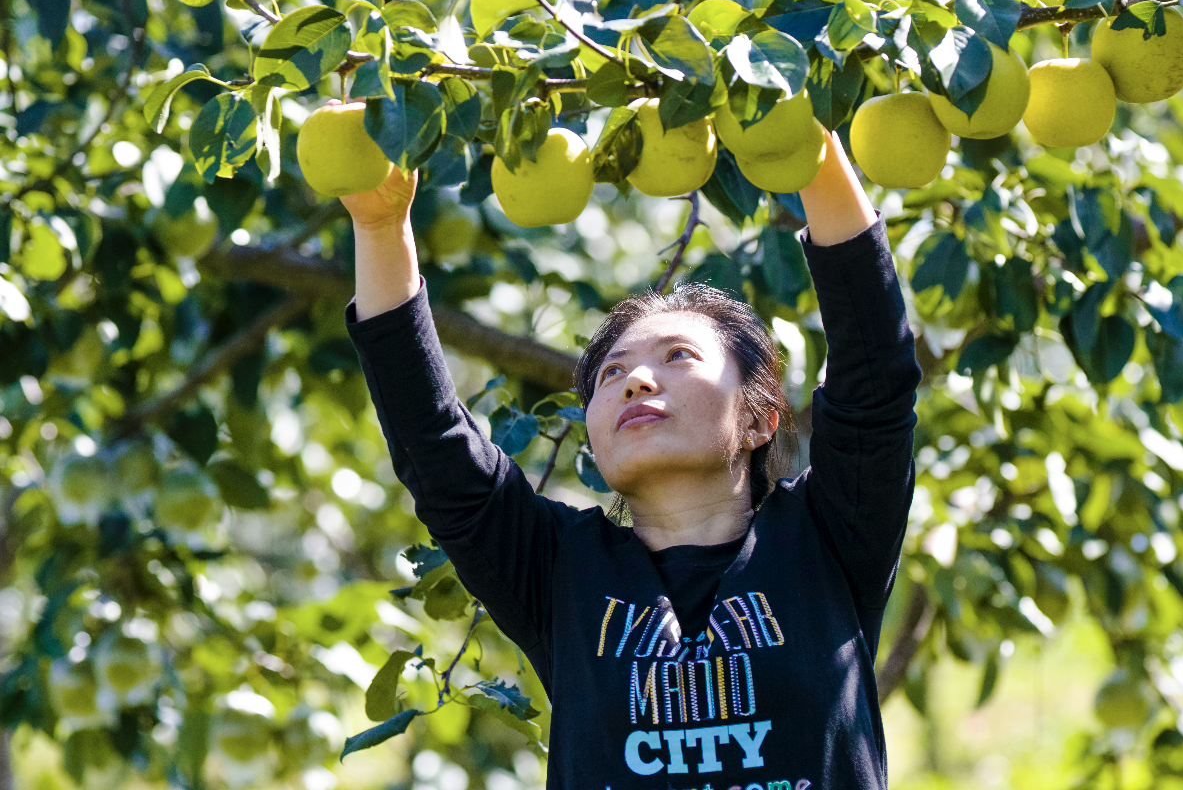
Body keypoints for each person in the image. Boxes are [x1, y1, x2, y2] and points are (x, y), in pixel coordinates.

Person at [344, 125, 920, 789]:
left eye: (678, 356)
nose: (636, 382)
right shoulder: (563, 573)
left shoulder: (825, 541)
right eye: (612, 374)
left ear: (761, 419)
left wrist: (799, 139)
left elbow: (876, 369)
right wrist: (380, 225)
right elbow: (432, 442)